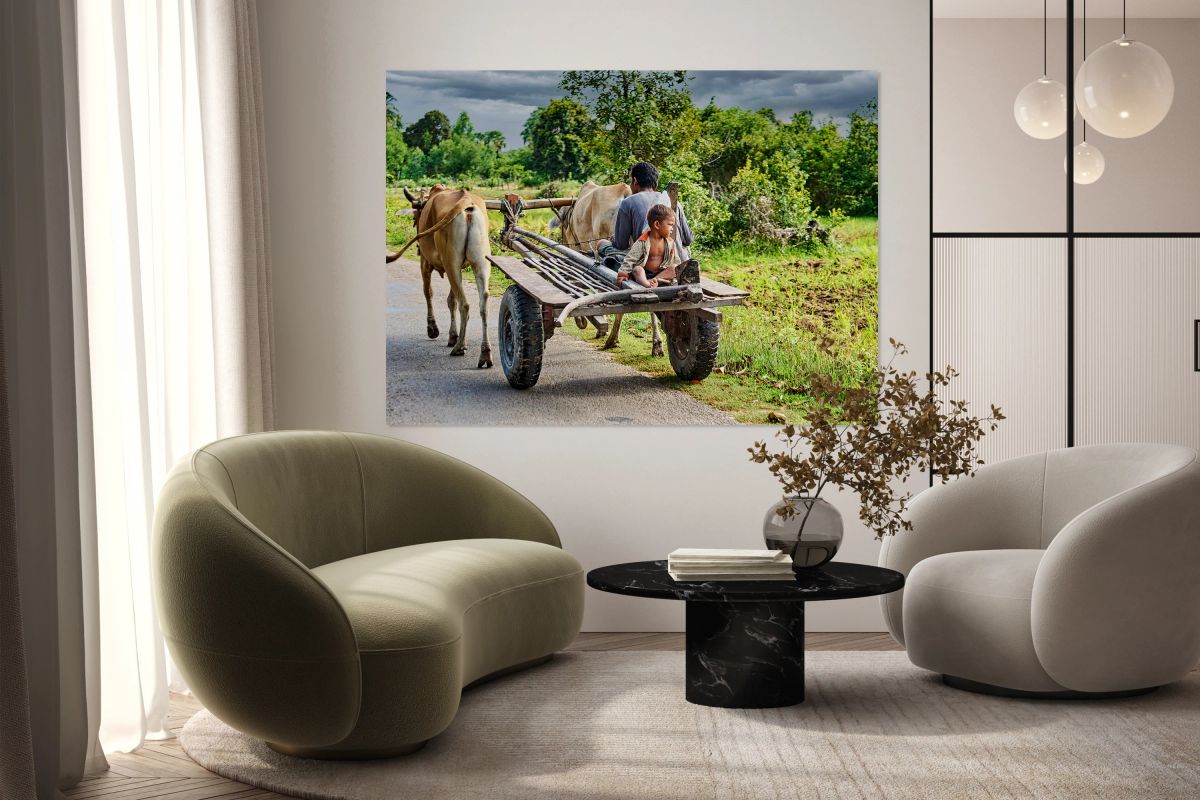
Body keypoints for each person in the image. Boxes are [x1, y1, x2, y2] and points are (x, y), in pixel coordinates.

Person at [603, 161, 694, 253]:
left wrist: (612, 240)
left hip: (648, 259)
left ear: (635, 181)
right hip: (680, 259)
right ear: (656, 183)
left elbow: (621, 245)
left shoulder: (628, 202)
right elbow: (688, 239)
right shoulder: (673, 202)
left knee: (602, 243)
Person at [620, 204, 681, 288]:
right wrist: (623, 274)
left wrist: (677, 269)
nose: (672, 228)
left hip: (661, 274)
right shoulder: (642, 242)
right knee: (637, 270)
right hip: (645, 273)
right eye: (670, 224)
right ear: (657, 224)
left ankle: (653, 281)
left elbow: (676, 260)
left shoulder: (670, 243)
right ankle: (647, 284)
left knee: (675, 268)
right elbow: (630, 259)